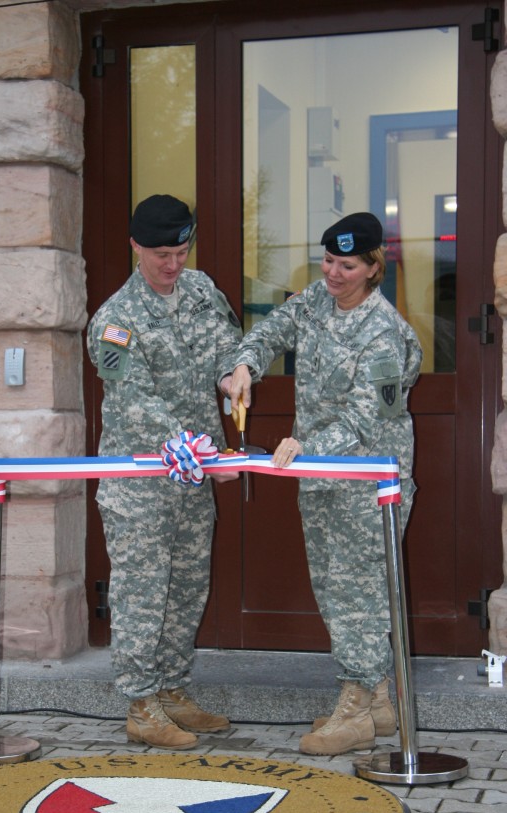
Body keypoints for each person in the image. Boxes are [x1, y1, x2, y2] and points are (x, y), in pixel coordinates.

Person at [230, 212, 423, 756]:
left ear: (372, 268)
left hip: (366, 479)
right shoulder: (316, 300)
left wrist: (306, 447)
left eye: (347, 265)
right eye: (329, 261)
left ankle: (356, 708)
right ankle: (379, 700)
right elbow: (271, 329)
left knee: (357, 592)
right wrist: (246, 365)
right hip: (319, 475)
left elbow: (368, 417)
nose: (334, 274)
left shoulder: (383, 332)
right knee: (337, 589)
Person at [87, 194, 241, 750]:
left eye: (180, 250)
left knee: (185, 589)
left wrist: (234, 374)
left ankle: (174, 691)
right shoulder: (113, 324)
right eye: (160, 254)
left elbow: (228, 345)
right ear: (134, 247)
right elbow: (138, 405)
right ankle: (140, 704)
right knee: (143, 593)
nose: (173, 264)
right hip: (141, 487)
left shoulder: (201, 291)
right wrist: (205, 454)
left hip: (192, 484)